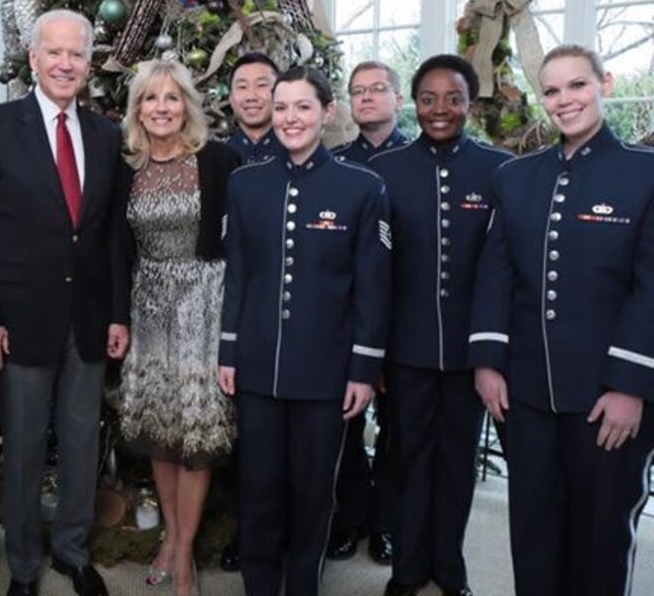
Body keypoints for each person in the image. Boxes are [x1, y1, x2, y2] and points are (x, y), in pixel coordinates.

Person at [469, 44, 654, 596]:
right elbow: (496, 275)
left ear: (605, 84)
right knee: (533, 527)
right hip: (525, 392)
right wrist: (487, 363)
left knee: (600, 533)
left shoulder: (645, 174)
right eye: (551, 90)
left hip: (606, 395)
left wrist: (629, 387)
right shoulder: (515, 177)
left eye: (577, 85)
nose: (564, 100)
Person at [0, 9, 131, 596]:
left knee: (83, 443)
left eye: (76, 54)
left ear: (89, 63)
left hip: (88, 317)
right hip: (20, 319)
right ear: (33, 58)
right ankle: (22, 566)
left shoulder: (107, 136)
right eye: (54, 52)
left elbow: (112, 236)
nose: (65, 63)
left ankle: (73, 552)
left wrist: (118, 312)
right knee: (24, 447)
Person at [219, 66, 391, 596]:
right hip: (257, 364)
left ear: (326, 112)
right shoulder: (244, 184)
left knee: (313, 493)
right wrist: (228, 351)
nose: (289, 118)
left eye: (302, 107)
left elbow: (372, 287)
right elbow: (237, 274)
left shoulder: (362, 187)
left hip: (326, 371)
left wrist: (363, 369)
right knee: (258, 488)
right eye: (281, 107)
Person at [369, 55, 511, 596]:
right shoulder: (385, 171)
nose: (440, 109)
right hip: (404, 351)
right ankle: (407, 569)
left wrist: (493, 353)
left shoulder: (499, 170)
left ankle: (450, 567)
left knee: (456, 462)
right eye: (428, 99)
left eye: (453, 98)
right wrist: (374, 354)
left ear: (470, 103)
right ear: (414, 103)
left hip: (470, 353)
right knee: (406, 460)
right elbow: (375, 272)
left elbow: (503, 269)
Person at [118, 59, 238, 596]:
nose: (162, 107)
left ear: (187, 106)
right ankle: (170, 535)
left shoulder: (218, 160)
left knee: (194, 435)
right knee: (162, 436)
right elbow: (114, 245)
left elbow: (241, 243)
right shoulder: (127, 165)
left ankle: (184, 553)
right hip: (147, 306)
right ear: (138, 109)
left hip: (203, 305)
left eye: (172, 97)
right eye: (151, 98)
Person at [326, 61, 408, 565]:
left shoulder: (417, 161)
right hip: (346, 323)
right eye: (358, 91)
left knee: (397, 433)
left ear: (398, 99)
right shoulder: (337, 164)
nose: (367, 97)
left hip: (404, 322)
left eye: (378, 89)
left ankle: (386, 523)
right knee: (347, 430)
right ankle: (349, 518)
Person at [218, 50, 279, 574]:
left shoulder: (299, 148)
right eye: (243, 86)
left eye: (264, 85)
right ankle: (242, 529)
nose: (253, 95)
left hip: (284, 314)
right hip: (224, 304)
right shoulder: (217, 157)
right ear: (229, 96)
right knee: (239, 432)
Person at [225, 52, 279, 164]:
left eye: (261, 85)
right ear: (231, 99)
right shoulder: (218, 158)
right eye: (242, 87)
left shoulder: (298, 153)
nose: (251, 97)